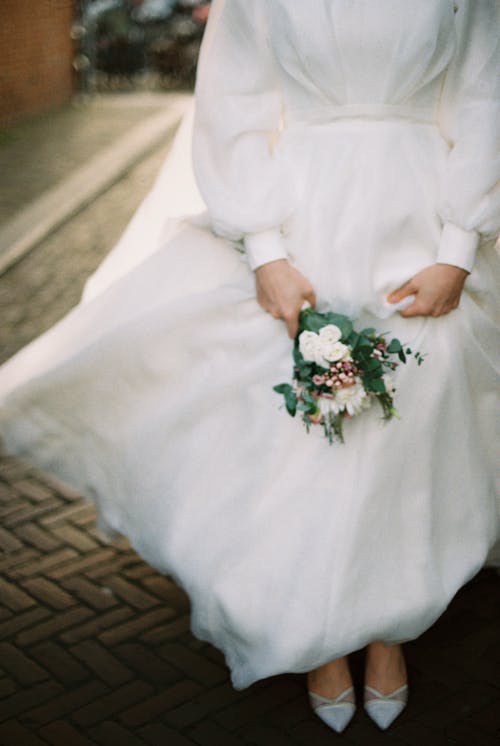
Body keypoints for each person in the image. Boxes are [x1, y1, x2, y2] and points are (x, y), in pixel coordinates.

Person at [0, 0, 498, 734]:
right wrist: (265, 251)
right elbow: (234, 102)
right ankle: (316, 635)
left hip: (420, 216)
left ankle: (388, 623)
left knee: (412, 420)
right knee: (301, 427)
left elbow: (488, 90)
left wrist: (460, 245)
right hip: (305, 217)